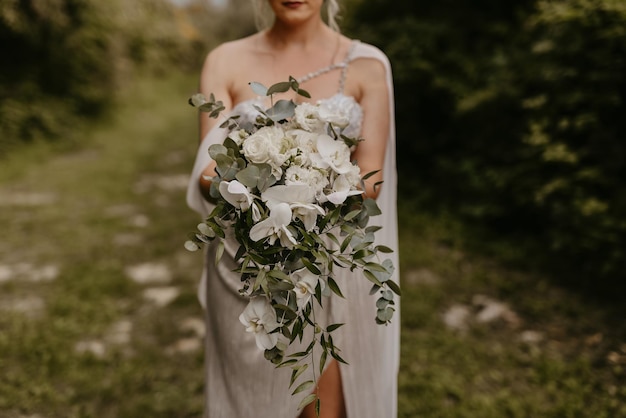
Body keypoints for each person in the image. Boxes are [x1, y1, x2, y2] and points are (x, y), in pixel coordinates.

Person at [186, 1, 400, 417]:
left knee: (325, 409)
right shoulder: (224, 60)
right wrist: (270, 179)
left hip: (335, 264)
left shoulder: (368, 65)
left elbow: (371, 178)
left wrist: (310, 180)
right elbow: (207, 174)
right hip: (249, 266)